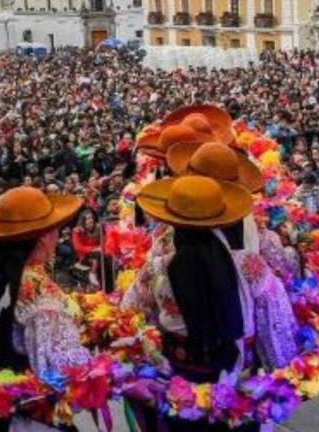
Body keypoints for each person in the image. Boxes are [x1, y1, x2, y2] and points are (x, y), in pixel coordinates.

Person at [127, 175, 297, 432]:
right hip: (238, 388)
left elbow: (127, 316)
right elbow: (276, 326)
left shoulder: (156, 269)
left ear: (174, 224)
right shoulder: (249, 265)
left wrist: (151, 356)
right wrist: (281, 377)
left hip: (178, 389)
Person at [0, 186, 89, 431]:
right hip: (31, 409)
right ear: (42, 236)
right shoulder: (34, 286)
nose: (58, 234)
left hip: (0, 403)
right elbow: (56, 366)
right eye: (55, 227)